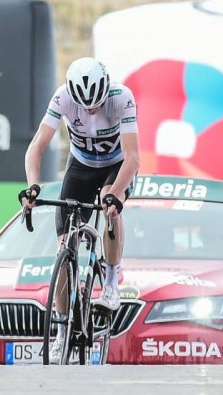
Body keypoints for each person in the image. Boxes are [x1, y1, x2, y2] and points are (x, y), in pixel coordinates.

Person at [18, 57, 140, 363]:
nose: (90, 111)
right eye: (84, 107)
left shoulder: (121, 98)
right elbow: (36, 146)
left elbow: (133, 158)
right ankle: (61, 331)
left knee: (111, 209)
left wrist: (114, 195)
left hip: (116, 166)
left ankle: (111, 282)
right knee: (64, 245)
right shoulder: (63, 96)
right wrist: (33, 187)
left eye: (95, 105)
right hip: (81, 167)